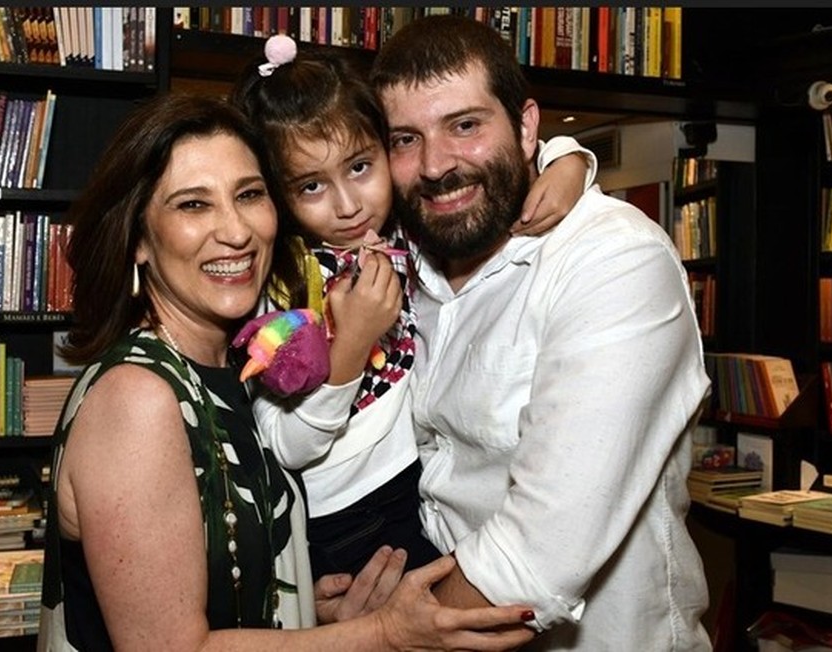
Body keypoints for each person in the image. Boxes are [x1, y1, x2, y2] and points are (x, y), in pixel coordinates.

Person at [38, 92, 539, 651]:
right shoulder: (139, 398)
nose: (235, 230)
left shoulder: (227, 370)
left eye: (249, 195)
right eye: (193, 205)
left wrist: (305, 605)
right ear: (137, 240)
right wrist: (384, 634)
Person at [370, 14, 713, 651]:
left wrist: (378, 635)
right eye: (404, 139)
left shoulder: (614, 259)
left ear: (527, 127)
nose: (437, 165)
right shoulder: (401, 268)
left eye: (465, 125)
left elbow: (540, 549)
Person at [229, 35, 597, 580]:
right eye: (311, 186)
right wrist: (350, 346)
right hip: (344, 516)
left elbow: (489, 163)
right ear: (277, 195)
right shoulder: (286, 288)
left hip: (412, 488)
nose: (349, 205)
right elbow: (286, 446)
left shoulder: (402, 230)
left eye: (360, 167)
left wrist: (568, 163)